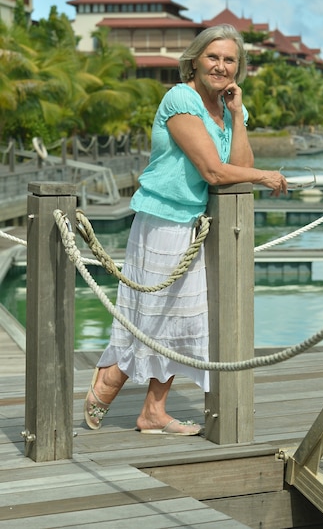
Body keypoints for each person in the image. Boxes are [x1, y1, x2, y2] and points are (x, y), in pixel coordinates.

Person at [84, 24, 287, 435]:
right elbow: (213, 171)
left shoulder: (230, 107)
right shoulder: (181, 99)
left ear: (239, 68)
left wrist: (235, 114)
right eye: (213, 57)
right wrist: (266, 175)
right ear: (194, 60)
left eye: (230, 60)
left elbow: (239, 164)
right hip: (162, 220)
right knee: (152, 312)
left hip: (194, 224)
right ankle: (108, 379)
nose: (221, 66)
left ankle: (153, 412)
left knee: (186, 319)